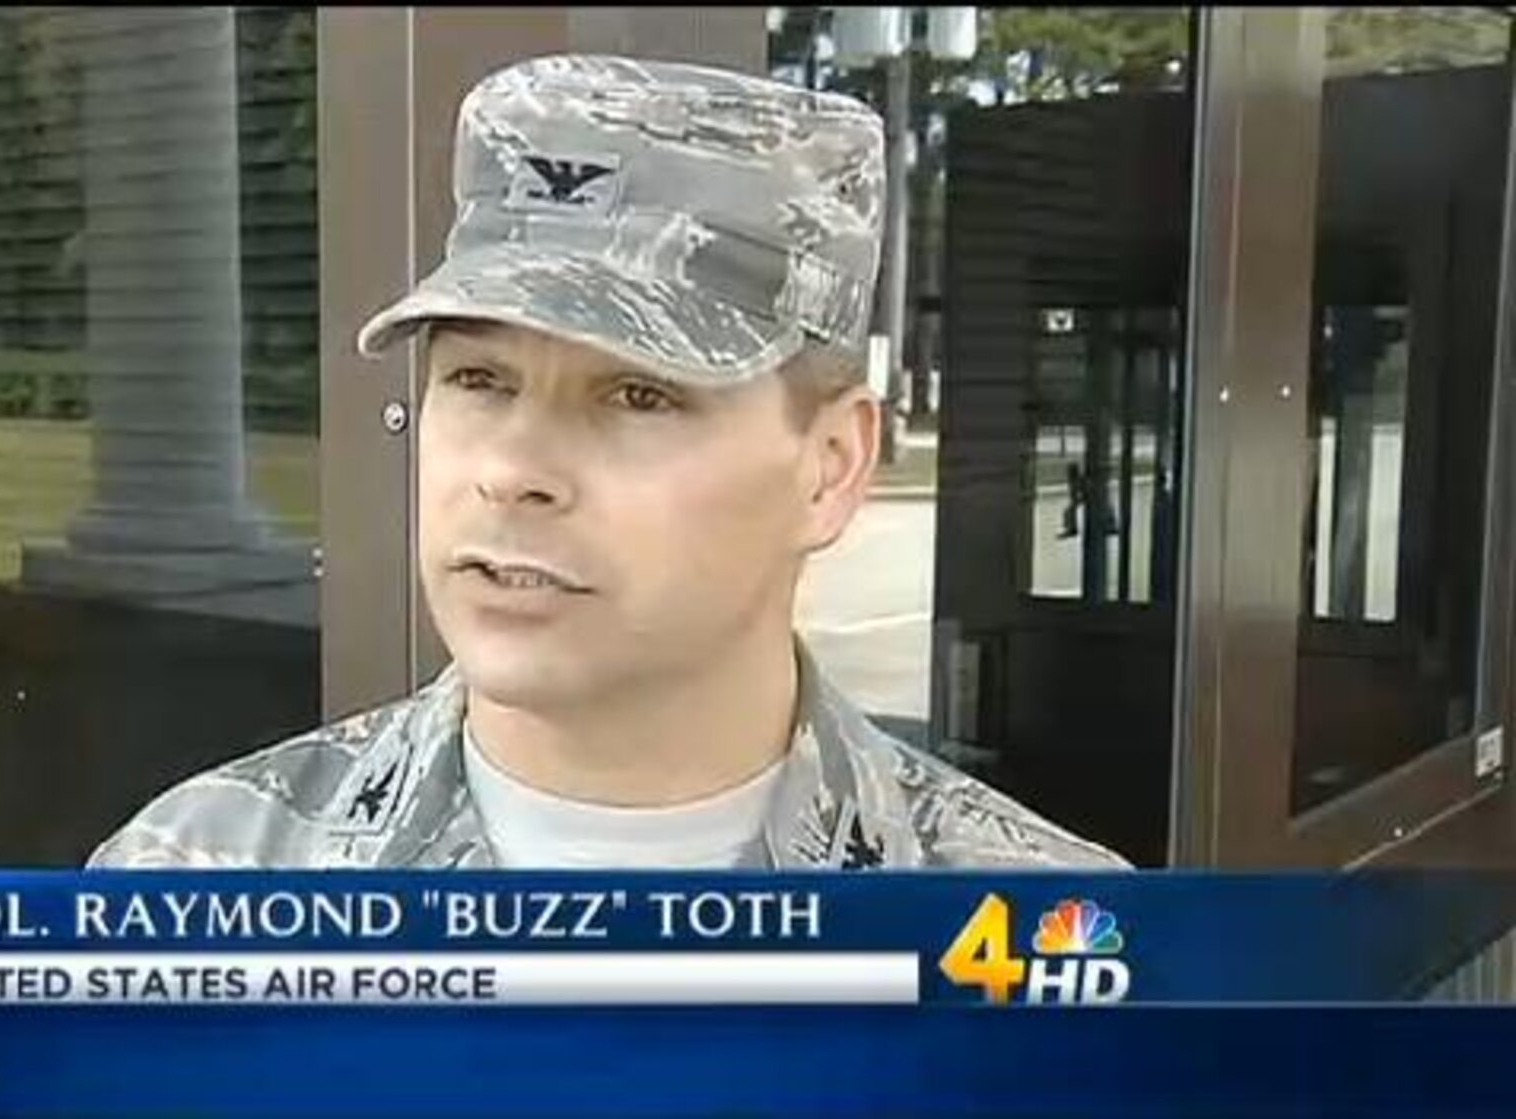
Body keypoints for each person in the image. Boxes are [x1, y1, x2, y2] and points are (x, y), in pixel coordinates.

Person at [89, 54, 1128, 870]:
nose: (510, 471)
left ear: (829, 466)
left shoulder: (1047, 959)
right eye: (478, 381)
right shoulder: (198, 884)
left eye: (638, 394)